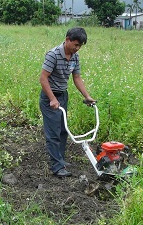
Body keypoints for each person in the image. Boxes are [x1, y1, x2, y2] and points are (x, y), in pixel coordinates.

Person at [39, 27, 95, 177]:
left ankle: (60, 160)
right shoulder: (53, 55)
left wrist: (87, 96)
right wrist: (52, 98)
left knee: (63, 130)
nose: (77, 49)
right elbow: (43, 79)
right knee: (53, 132)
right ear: (67, 39)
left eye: (80, 46)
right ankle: (56, 167)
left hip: (63, 95)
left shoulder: (75, 57)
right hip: (49, 97)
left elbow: (76, 78)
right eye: (76, 45)